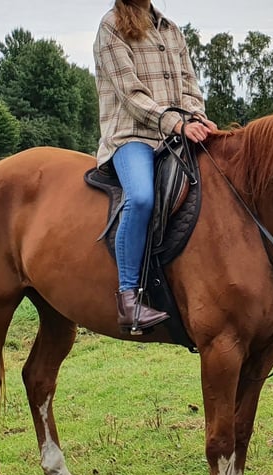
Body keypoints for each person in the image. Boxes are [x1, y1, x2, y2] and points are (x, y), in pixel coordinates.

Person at [94, 0, 216, 334]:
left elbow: (190, 85)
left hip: (177, 132)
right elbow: (131, 96)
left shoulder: (171, 29)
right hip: (132, 135)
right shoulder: (111, 27)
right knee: (143, 197)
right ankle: (129, 298)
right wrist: (176, 124)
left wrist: (197, 118)